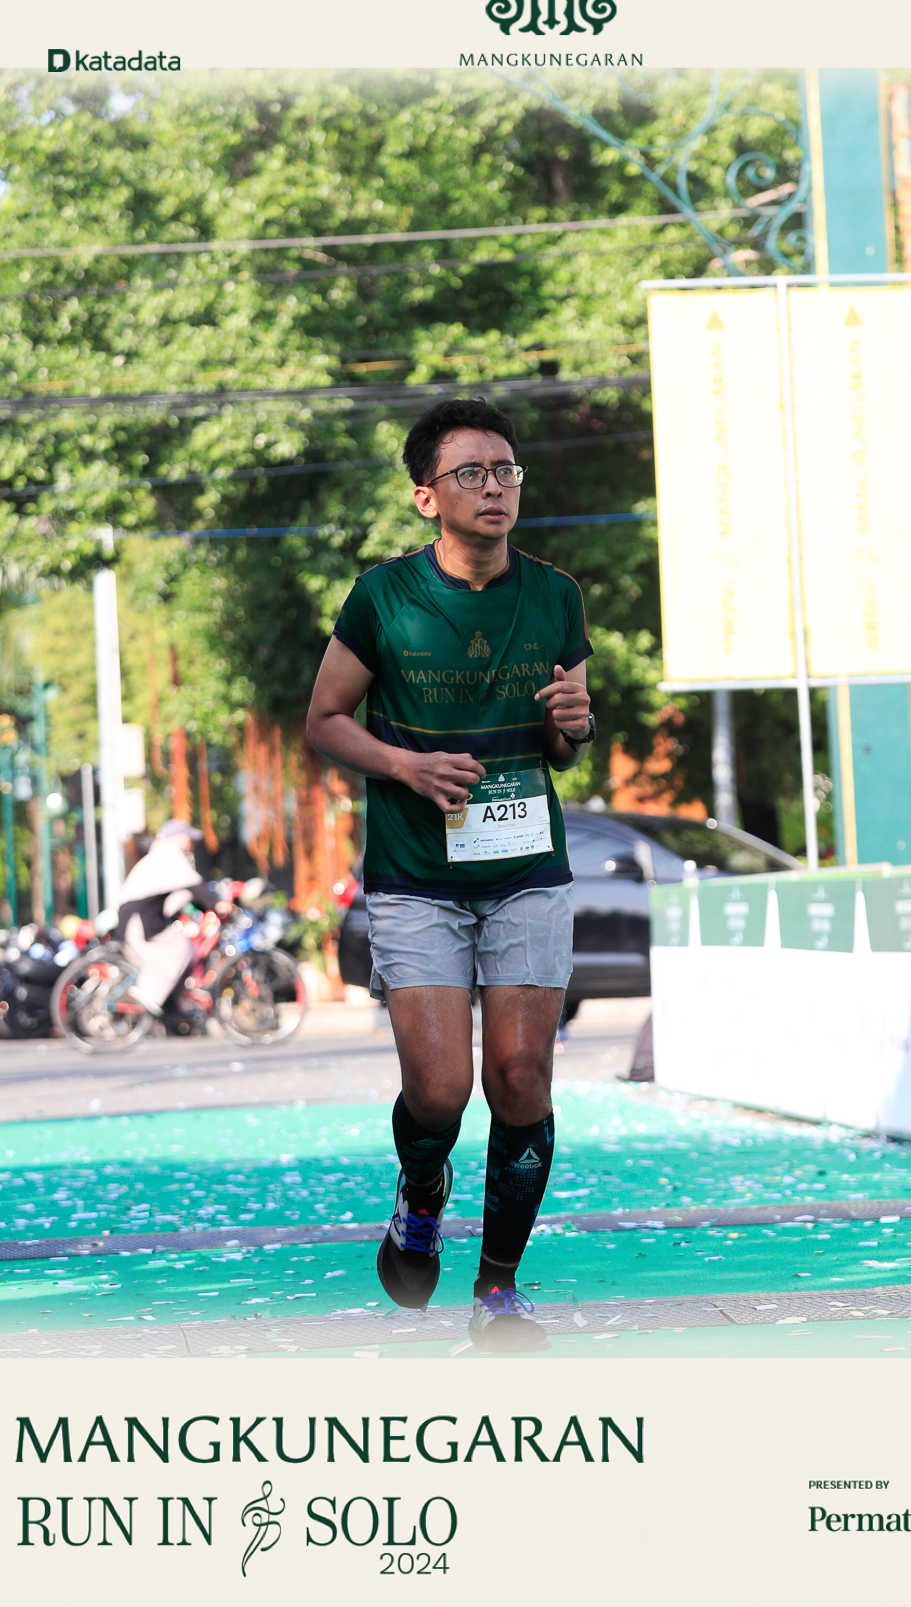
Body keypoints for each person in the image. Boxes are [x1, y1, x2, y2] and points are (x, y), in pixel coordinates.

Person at [306, 396, 594, 1353]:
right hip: (416, 876)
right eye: (471, 473)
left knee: (519, 1077)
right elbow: (325, 721)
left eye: (506, 470)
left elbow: (563, 744)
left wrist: (573, 724)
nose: (494, 487)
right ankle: (421, 1191)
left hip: (526, 871)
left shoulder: (554, 596)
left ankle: (497, 1287)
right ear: (426, 497)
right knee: (438, 1092)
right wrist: (407, 766)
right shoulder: (383, 598)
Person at [117, 819, 231, 1020]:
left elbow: (189, 895)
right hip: (139, 921)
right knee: (181, 948)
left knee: (177, 950)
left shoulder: (160, 855)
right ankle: (145, 996)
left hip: (138, 918)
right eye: (189, 839)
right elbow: (195, 887)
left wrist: (209, 906)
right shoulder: (169, 854)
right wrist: (218, 904)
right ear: (179, 838)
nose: (191, 844)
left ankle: (171, 1011)